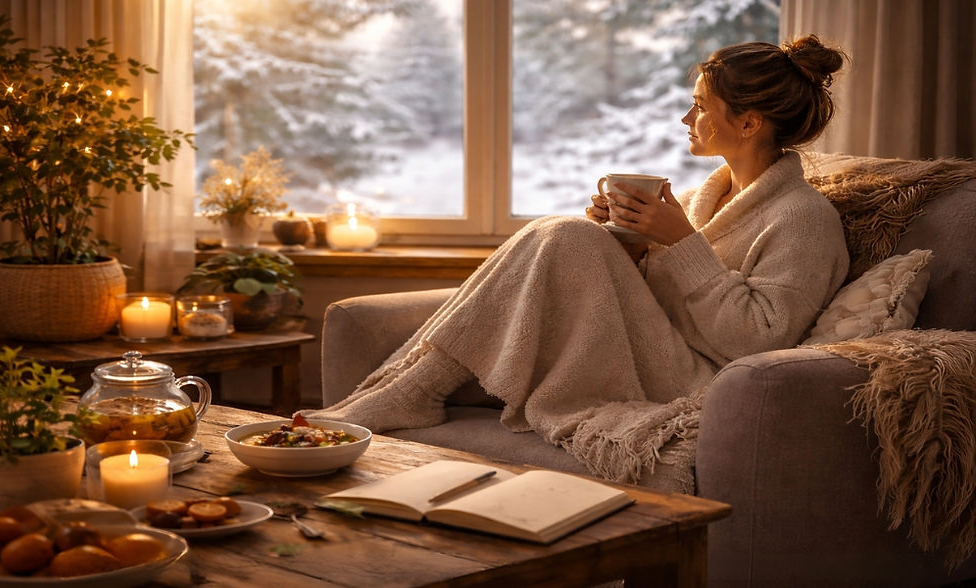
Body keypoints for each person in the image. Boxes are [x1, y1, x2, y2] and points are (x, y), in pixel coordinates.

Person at [302, 35, 850, 490]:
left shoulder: (804, 218)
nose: (687, 116)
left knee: (564, 234)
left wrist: (679, 243)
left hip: (699, 382)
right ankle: (411, 387)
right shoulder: (706, 196)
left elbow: (757, 342)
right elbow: (666, 292)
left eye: (702, 106)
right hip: (650, 350)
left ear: (750, 123)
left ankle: (415, 391)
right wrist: (630, 247)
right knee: (567, 234)